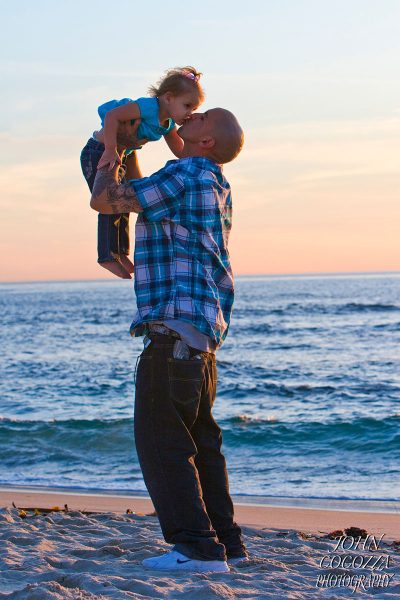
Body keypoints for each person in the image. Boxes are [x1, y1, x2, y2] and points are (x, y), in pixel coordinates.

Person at [90, 107, 248, 573]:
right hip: (202, 337)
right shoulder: (215, 181)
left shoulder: (186, 174)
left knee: (162, 444)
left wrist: (110, 150)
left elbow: (106, 200)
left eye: (201, 119)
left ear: (206, 143)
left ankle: (197, 548)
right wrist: (146, 141)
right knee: (200, 444)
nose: (192, 116)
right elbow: (158, 176)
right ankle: (226, 542)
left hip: (172, 330)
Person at [81, 66, 204, 279]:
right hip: (99, 151)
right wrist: (110, 149)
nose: (189, 113)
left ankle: (119, 251)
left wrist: (201, 152)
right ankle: (106, 255)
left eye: (193, 109)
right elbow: (112, 117)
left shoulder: (167, 125)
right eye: (187, 106)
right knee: (111, 202)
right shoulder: (148, 107)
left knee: (125, 200)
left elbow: (180, 151)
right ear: (168, 98)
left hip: (123, 155)